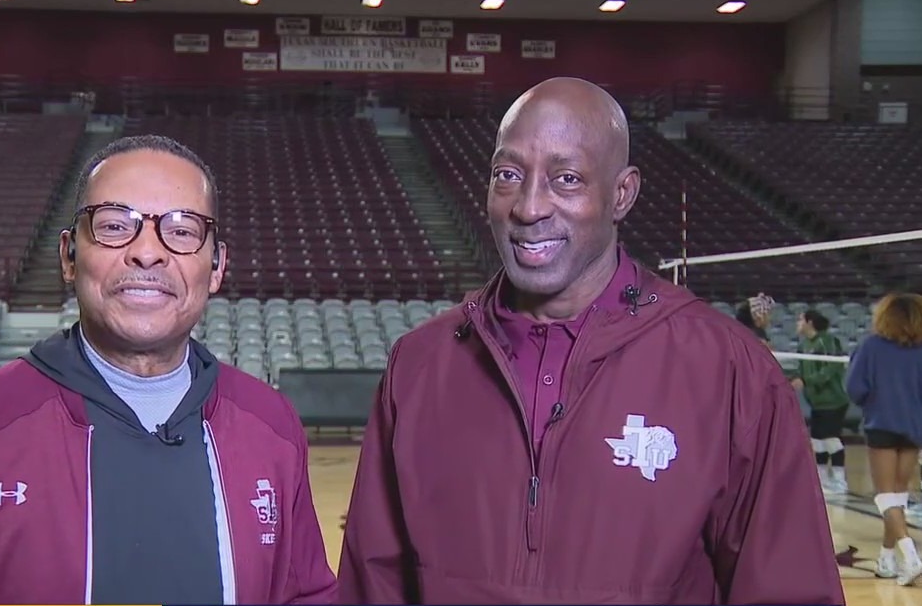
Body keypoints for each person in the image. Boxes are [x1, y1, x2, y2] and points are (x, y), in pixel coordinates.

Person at [337, 77, 844, 605]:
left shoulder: (732, 372)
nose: (529, 207)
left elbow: (791, 590)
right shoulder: (419, 366)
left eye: (567, 178)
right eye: (508, 175)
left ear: (622, 193)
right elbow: (374, 584)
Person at [0, 135, 338, 605]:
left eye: (182, 230)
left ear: (217, 266)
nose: (147, 252)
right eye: (115, 225)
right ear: (69, 255)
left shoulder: (270, 426)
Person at [847, 292, 922, 585]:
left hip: (882, 425)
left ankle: (909, 553)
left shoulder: (871, 346)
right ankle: (886, 558)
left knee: (885, 496)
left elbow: (855, 388)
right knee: (897, 496)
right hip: (914, 428)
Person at [792, 309, 851, 494]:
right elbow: (801, 372)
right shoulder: (803, 346)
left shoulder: (827, 341)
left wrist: (806, 381)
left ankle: (840, 481)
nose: (797, 323)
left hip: (833, 401)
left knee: (832, 440)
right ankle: (823, 479)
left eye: (800, 319)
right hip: (816, 403)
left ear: (810, 322)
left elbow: (831, 368)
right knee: (817, 442)